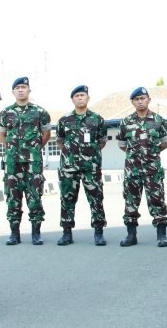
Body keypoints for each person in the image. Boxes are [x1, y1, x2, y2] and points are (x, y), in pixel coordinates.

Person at [0, 77, 51, 246]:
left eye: (24, 87)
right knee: (13, 197)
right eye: (17, 87)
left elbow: (46, 134)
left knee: (35, 196)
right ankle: (14, 233)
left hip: (33, 163)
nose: (21, 90)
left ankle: (36, 233)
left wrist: (34, 149)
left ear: (29, 90)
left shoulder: (40, 112)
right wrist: (14, 150)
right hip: (13, 163)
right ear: (13, 92)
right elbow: (2, 136)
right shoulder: (5, 113)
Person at [116, 87, 167, 247]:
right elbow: (122, 145)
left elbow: (165, 142)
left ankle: (161, 235)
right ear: (132, 102)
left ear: (149, 100)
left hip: (152, 169)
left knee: (157, 200)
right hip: (132, 170)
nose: (140, 101)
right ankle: (131, 236)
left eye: (143, 98)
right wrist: (136, 155)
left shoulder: (159, 120)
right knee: (130, 201)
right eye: (136, 99)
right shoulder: (126, 122)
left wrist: (150, 154)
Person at [56, 85, 108, 246]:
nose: (80, 98)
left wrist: (89, 154)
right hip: (68, 167)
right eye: (77, 95)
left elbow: (102, 141)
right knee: (67, 198)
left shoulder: (97, 119)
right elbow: (60, 141)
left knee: (96, 198)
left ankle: (98, 232)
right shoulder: (64, 120)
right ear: (72, 99)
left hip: (91, 167)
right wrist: (71, 155)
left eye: (82, 95)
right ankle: (66, 232)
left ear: (88, 98)